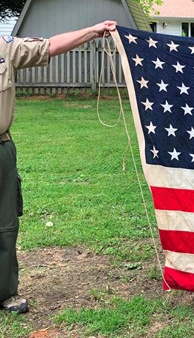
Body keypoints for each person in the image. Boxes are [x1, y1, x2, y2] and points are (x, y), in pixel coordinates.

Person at [0, 20, 116, 314]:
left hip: (0, 147)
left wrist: (94, 30)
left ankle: (5, 292)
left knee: (5, 225)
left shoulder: (5, 47)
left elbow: (49, 46)